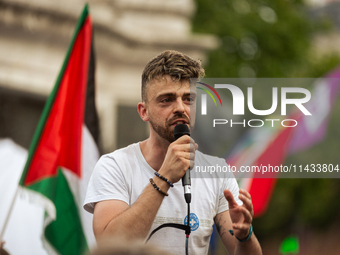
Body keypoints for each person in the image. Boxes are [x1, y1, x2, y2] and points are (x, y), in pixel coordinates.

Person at [84, 50, 262, 254]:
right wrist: (165, 177)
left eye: (188, 99)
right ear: (144, 111)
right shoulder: (114, 166)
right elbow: (109, 246)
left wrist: (245, 236)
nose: (180, 108)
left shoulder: (216, 171)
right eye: (166, 99)